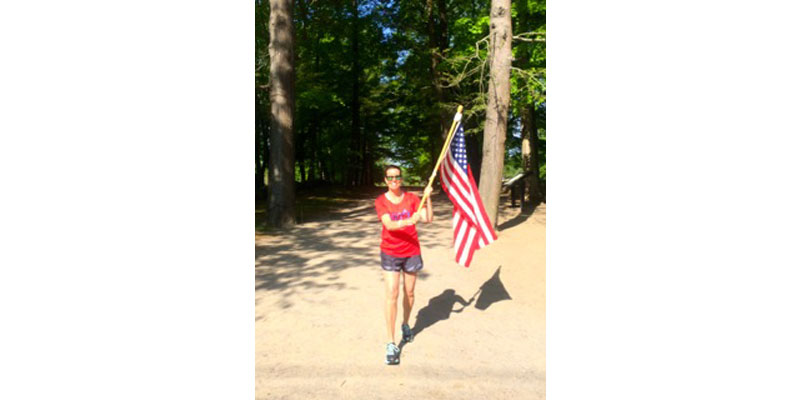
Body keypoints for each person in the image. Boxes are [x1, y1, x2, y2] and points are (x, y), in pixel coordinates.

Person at [374, 165, 433, 365]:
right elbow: (389, 224)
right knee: (392, 293)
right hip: (390, 252)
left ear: (401, 179)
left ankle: (406, 324)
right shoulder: (381, 201)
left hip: (411, 252)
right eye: (390, 177)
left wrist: (428, 197)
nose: (394, 180)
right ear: (385, 180)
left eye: (397, 177)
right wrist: (409, 220)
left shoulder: (412, 199)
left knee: (409, 292)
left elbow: (427, 219)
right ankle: (391, 342)